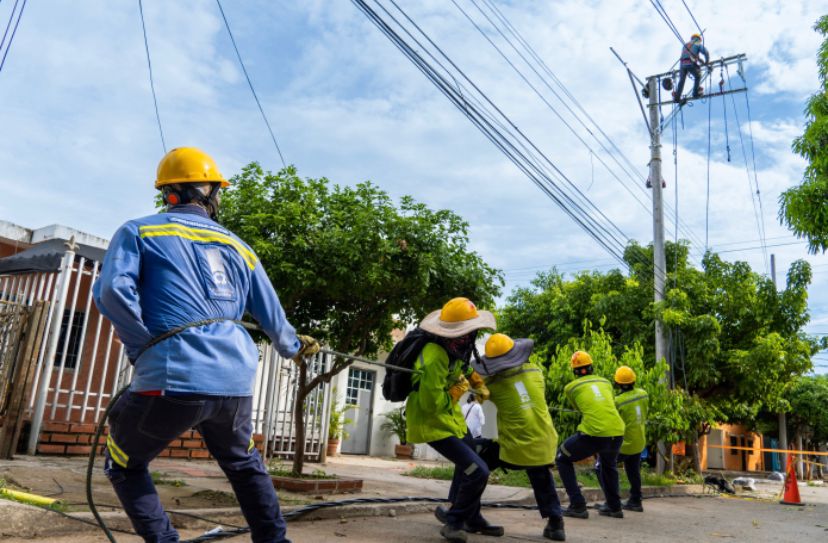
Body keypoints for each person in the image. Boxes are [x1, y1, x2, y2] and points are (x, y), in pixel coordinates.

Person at [93, 147, 319, 543]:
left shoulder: (139, 231)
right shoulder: (240, 247)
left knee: (123, 462)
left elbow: (112, 292)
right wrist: (294, 346)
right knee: (243, 463)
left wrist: (142, 346)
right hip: (234, 382)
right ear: (208, 192)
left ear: (169, 193)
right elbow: (272, 316)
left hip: (171, 377)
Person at [405, 297, 500, 543]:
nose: (472, 335)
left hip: (452, 421)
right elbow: (430, 405)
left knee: (475, 460)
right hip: (432, 425)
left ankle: (472, 517)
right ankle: (454, 521)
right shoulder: (434, 356)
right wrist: (456, 392)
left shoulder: (453, 349)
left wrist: (476, 381)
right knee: (478, 471)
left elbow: (462, 369)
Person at [471, 333, 566, 541]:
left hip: (515, 448)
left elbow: (479, 392)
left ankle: (464, 513)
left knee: (474, 464)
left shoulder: (493, 385)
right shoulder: (536, 372)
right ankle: (556, 523)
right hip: (544, 442)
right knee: (541, 473)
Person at [556, 351, 626, 519]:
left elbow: (579, 409)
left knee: (562, 458)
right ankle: (615, 507)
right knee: (608, 465)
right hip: (617, 431)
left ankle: (577, 505)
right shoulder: (606, 382)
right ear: (591, 367)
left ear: (574, 371)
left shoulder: (570, 388)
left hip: (594, 432)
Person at [596, 366, 649, 513]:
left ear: (617, 383)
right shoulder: (643, 394)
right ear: (633, 380)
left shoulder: (617, 401)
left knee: (601, 466)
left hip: (623, 444)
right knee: (633, 470)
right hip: (639, 441)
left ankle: (612, 501)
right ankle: (636, 501)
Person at [672, 33, 710, 102]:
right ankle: (695, 93)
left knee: (681, 81)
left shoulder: (685, 45)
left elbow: (689, 54)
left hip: (682, 64)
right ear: (698, 39)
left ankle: (677, 97)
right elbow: (706, 52)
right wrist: (707, 61)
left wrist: (699, 59)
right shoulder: (697, 43)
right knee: (698, 76)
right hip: (690, 63)